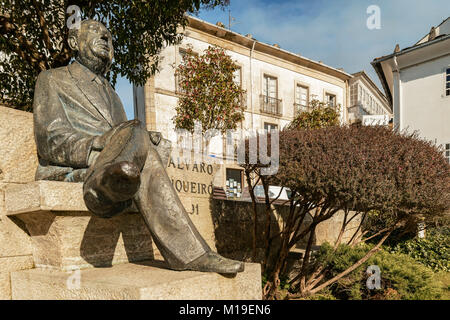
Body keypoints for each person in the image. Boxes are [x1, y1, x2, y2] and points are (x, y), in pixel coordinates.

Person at [32, 19, 244, 274]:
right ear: (74, 42)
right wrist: (96, 143)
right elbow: (49, 138)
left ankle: (108, 183)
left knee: (142, 137)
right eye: (96, 31)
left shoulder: (111, 93)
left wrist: (140, 138)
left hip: (119, 170)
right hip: (79, 163)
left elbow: (125, 137)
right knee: (137, 136)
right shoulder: (52, 79)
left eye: (108, 35)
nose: (105, 37)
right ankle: (192, 255)